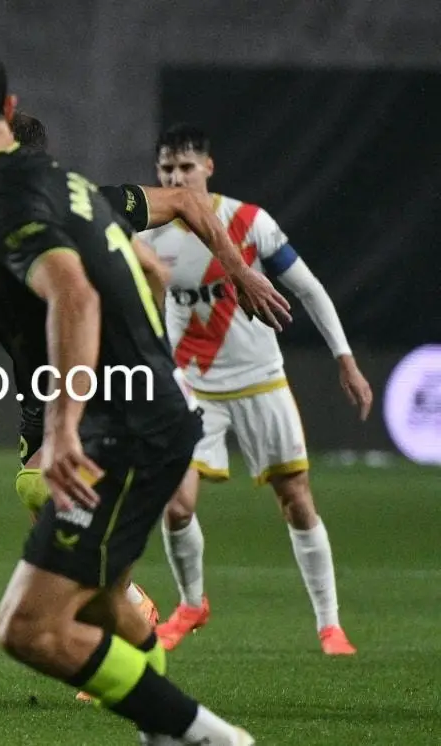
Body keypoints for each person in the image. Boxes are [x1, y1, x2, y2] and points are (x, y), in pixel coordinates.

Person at [0, 110, 288, 706]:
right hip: (43, 402)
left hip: (116, 388)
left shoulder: (92, 205)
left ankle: (130, 651)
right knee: (54, 515)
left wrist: (237, 272)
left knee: (101, 514)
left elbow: (188, 202)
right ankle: (131, 622)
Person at [143, 123, 372, 656]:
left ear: (209, 168)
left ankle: (330, 625)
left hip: (259, 381)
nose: (177, 177)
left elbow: (309, 289)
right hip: (192, 387)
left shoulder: (247, 221)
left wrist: (345, 360)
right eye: (167, 170)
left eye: (186, 167)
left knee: (295, 501)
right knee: (175, 505)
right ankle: (192, 604)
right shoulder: (149, 233)